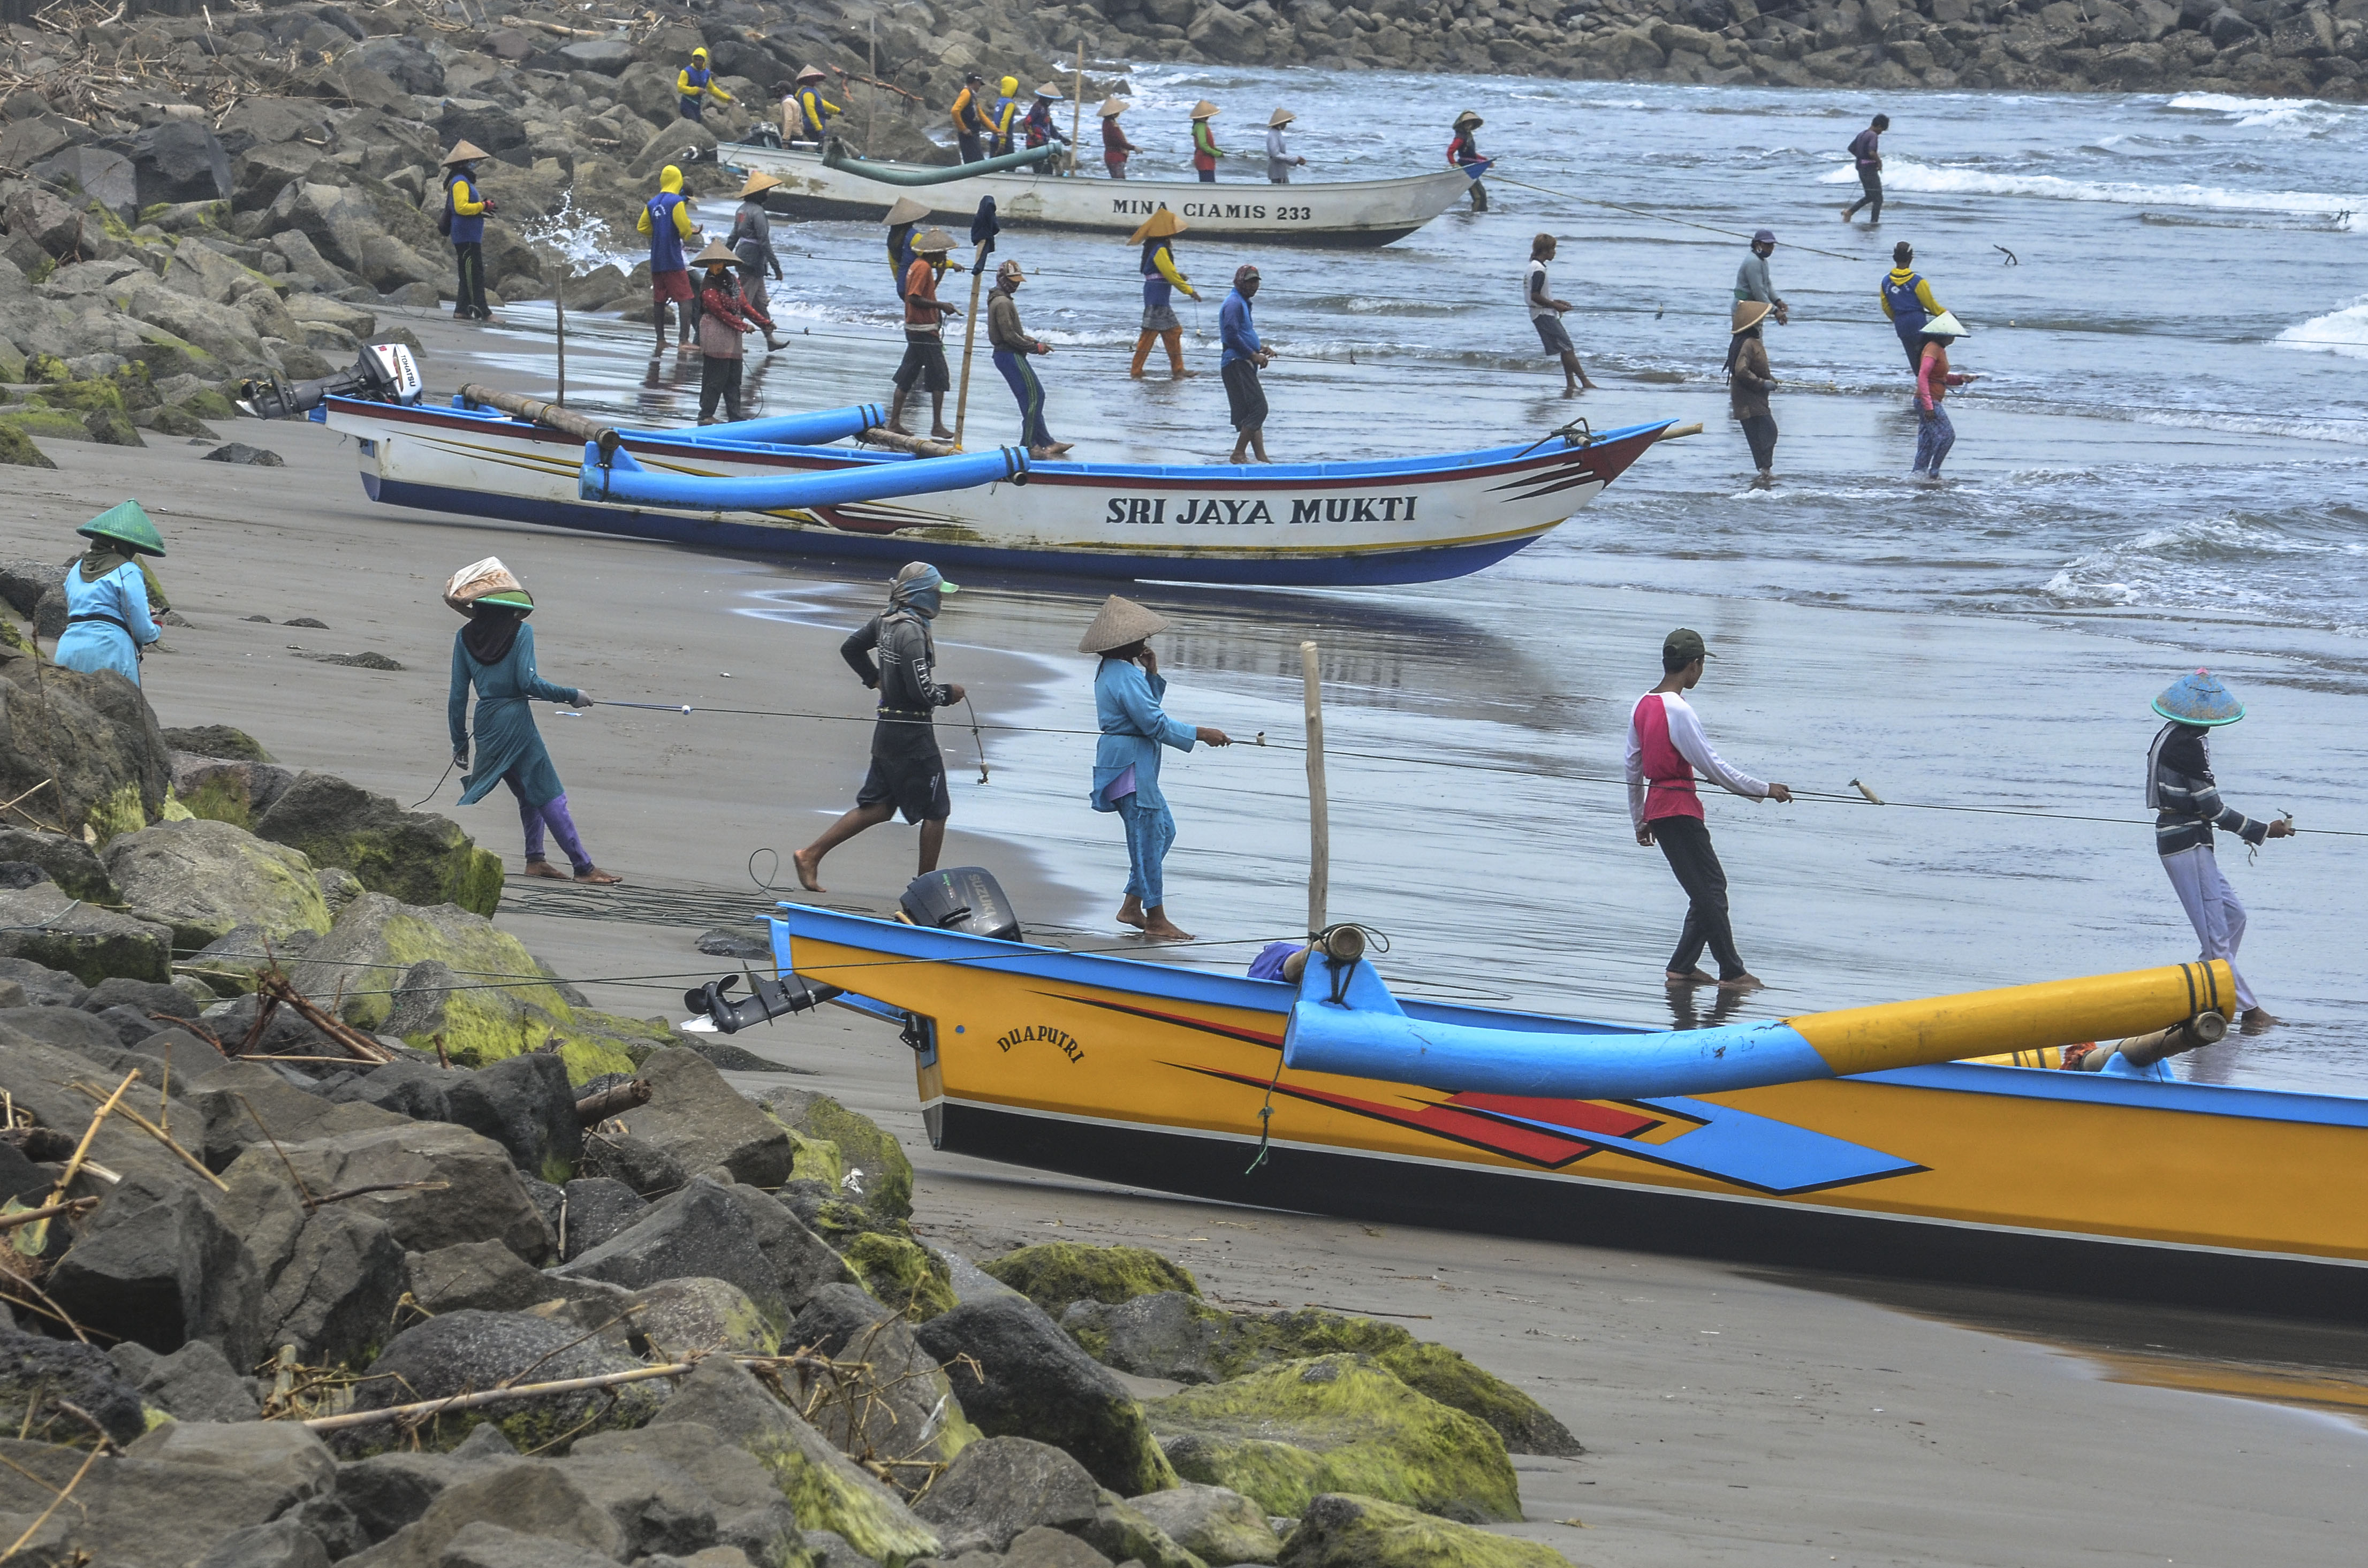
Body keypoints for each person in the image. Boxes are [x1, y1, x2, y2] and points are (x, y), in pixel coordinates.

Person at [1626, 627, 1792, 989]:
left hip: (1659, 808)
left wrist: (1640, 819)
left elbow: (1632, 766)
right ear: (1694, 665)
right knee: (1712, 890)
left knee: (1705, 891)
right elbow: (1713, 767)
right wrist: (1766, 789)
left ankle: (1683, 966)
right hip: (1679, 809)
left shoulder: (1642, 704)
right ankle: (1732, 971)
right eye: (1702, 665)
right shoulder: (1679, 710)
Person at [444, 557, 619, 886]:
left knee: (528, 794)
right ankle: (583, 867)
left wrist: (459, 742)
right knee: (550, 793)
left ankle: (535, 860)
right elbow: (529, 684)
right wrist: (572, 695)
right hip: (515, 721)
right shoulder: (522, 632)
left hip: (487, 723)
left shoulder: (463, 637)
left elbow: (457, 696)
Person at [795, 563, 965, 893]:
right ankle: (924, 888)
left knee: (879, 808)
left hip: (887, 728)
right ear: (921, 596)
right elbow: (922, 691)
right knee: (937, 810)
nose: (941, 601)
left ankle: (810, 855)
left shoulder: (886, 621)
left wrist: (875, 680)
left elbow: (851, 649)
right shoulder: (911, 631)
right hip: (911, 734)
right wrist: (949, 693)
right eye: (937, 594)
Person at [1080, 595, 1232, 941]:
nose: (1145, 642)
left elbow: (1142, 712)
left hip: (1127, 764)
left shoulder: (1115, 672)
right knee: (1148, 838)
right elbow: (1154, 724)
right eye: (1140, 637)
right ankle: (1156, 917)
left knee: (1162, 830)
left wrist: (1152, 675)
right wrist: (1201, 734)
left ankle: (1132, 905)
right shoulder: (1123, 676)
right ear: (1125, 642)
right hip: (1130, 766)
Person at [2146, 669, 2291, 1031]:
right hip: (2186, 844)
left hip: (2190, 840)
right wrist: (2262, 830)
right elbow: (2212, 808)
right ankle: (2251, 1012)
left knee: (2232, 917)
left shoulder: (2173, 734)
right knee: (2216, 934)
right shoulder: (2188, 745)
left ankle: (2206, 991)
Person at [53, 501, 164, 686]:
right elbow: (142, 630)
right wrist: (156, 626)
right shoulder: (128, 570)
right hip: (110, 650)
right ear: (125, 546)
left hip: (69, 648)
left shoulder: (76, 568)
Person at [987, 260, 1071, 459]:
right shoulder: (1002, 303)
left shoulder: (1000, 300)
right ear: (1003, 279)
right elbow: (1008, 337)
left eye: (1017, 281)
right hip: (1009, 355)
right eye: (1012, 281)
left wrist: (1027, 339)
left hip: (1007, 354)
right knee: (1037, 396)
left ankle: (1046, 442)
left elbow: (1010, 333)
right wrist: (1035, 348)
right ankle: (1028, 444)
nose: (1015, 285)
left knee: (1029, 398)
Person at [888, 227, 960, 438]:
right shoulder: (922, 268)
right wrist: (941, 305)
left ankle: (894, 422)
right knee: (940, 376)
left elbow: (923, 292)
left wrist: (940, 277)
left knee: (907, 376)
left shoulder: (918, 266)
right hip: (923, 330)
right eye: (943, 254)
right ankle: (937, 425)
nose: (945, 257)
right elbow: (914, 298)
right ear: (934, 253)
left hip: (915, 328)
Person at [692, 239, 772, 423]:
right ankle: (706, 415)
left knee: (734, 379)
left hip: (733, 335)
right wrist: (743, 326)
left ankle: (735, 417)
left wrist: (765, 322)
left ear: (725, 264)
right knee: (715, 377)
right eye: (712, 264)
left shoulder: (733, 281)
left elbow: (744, 306)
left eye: (718, 263)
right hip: (715, 333)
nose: (715, 267)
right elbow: (719, 312)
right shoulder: (708, 286)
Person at [1129, 208, 1200, 380]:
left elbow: (1164, 272)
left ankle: (1175, 369)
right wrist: (1190, 291)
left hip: (1155, 296)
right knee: (1156, 334)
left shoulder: (1154, 247)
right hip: (1158, 298)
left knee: (1170, 332)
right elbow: (1169, 274)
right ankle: (1138, 371)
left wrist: (1179, 276)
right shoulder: (1160, 248)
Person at [638, 164, 701, 355]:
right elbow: (683, 228)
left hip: (656, 258)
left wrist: (659, 231)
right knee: (686, 298)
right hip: (673, 258)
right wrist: (688, 233)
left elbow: (642, 227)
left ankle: (661, 340)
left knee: (659, 299)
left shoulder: (652, 202)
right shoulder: (676, 202)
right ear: (678, 180)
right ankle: (684, 340)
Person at [727, 171, 790, 353]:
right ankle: (733, 341)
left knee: (761, 303)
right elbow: (764, 241)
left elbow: (733, 237)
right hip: (753, 262)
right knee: (742, 302)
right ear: (760, 193)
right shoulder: (758, 212)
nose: (769, 194)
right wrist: (776, 267)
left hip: (743, 257)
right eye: (767, 190)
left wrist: (725, 256)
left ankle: (770, 339)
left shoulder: (742, 210)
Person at [1525, 233, 1596, 395]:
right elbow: (1535, 296)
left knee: (1566, 349)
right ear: (1545, 251)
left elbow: (1538, 295)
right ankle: (1585, 382)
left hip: (1542, 312)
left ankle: (1571, 383)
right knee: (1568, 348)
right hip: (1543, 314)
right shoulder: (1539, 270)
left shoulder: (1533, 266)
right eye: (1553, 249)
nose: (1555, 252)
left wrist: (1556, 302)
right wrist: (1554, 305)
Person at [1220, 264, 1273, 464]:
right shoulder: (1234, 303)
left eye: (1256, 282)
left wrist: (1260, 348)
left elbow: (1242, 333)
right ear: (1240, 281)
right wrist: (1252, 355)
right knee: (1260, 408)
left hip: (1242, 361)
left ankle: (1261, 458)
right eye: (1249, 282)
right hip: (1236, 363)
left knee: (1251, 411)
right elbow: (1231, 335)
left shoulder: (1242, 302)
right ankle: (1238, 454)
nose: (1253, 286)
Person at [1913, 310, 1974, 480]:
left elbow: (1939, 378)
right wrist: (1928, 405)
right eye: (1952, 335)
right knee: (1947, 436)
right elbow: (1923, 376)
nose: (1954, 338)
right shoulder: (1933, 348)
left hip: (1928, 400)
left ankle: (1918, 477)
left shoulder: (1939, 349)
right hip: (1928, 400)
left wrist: (1960, 379)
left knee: (1927, 443)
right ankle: (1934, 473)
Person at [441, 140, 495, 322]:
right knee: (474, 273)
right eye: (472, 161)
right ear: (464, 163)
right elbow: (461, 208)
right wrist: (483, 206)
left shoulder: (461, 181)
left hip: (468, 234)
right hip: (466, 235)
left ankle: (462, 310)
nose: (475, 164)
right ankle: (483, 312)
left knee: (467, 273)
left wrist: (482, 209)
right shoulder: (460, 182)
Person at [1727, 300, 1778, 484]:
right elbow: (1741, 370)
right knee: (1768, 431)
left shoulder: (1749, 341)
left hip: (1750, 395)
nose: (1761, 324)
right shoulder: (1748, 343)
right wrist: (1762, 384)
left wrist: (1770, 379)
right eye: (1759, 321)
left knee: (1759, 433)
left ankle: (1765, 470)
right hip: (1748, 396)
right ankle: (1765, 470)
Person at [1879, 240, 1945, 376]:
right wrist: (1946, 315)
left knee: (1916, 364)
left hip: (1901, 325)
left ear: (1894, 258)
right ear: (1911, 259)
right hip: (1918, 322)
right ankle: (1927, 393)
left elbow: (1886, 308)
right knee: (1930, 360)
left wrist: (1898, 319)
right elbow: (1931, 306)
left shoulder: (1885, 282)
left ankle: (1921, 390)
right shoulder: (1917, 281)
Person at [1733, 230, 1787, 326]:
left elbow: (1767, 284)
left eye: (1772, 245)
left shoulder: (1762, 261)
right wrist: (1775, 311)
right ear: (1758, 245)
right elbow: (1758, 291)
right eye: (1768, 245)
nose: (1771, 248)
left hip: (1755, 307)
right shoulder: (1753, 262)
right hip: (1745, 308)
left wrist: (1777, 301)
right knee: (1748, 339)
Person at [882, 195, 929, 303]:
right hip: (915, 286)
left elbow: (893, 263)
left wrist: (900, 281)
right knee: (932, 317)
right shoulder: (914, 236)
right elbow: (930, 255)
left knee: (914, 316)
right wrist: (951, 265)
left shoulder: (892, 237)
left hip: (902, 287)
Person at [1842, 113, 1888, 224]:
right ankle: (1874, 222)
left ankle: (1850, 212)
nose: (1881, 132)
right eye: (1881, 129)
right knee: (1878, 198)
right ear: (1878, 126)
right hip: (1869, 169)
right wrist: (1879, 162)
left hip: (1861, 167)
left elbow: (1851, 148)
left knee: (1870, 196)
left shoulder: (1862, 134)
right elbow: (1872, 152)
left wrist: (1862, 158)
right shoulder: (1873, 135)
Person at [677, 46, 733, 123]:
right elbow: (680, 88)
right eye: (696, 59)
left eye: (700, 60)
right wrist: (697, 90)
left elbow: (712, 89)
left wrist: (727, 99)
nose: (698, 62)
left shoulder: (706, 73)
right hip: (687, 104)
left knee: (698, 125)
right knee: (694, 125)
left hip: (697, 106)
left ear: (704, 61)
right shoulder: (686, 72)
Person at [1448, 110, 1489, 211]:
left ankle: (1478, 215)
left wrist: (1484, 160)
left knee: (1481, 193)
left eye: (1471, 123)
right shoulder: (1460, 137)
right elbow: (1450, 153)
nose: (1469, 125)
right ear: (1463, 124)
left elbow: (1471, 154)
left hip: (1472, 169)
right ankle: (1476, 215)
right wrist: (1454, 165)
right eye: (1467, 123)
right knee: (1480, 195)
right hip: (1466, 170)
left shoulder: (1468, 135)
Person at [792, 66, 840, 148]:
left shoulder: (812, 92)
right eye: (812, 79)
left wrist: (837, 111)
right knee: (820, 147)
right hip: (812, 126)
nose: (815, 81)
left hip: (817, 124)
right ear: (807, 80)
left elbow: (822, 103)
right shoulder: (807, 93)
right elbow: (810, 111)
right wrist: (818, 128)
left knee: (822, 146)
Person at [951, 73, 991, 163]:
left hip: (973, 134)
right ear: (975, 82)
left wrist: (996, 131)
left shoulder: (972, 95)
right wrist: (963, 129)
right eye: (980, 84)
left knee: (977, 161)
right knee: (976, 163)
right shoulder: (966, 94)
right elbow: (955, 111)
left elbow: (981, 116)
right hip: (968, 136)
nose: (980, 87)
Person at [1100, 97, 1140, 178]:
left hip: (1110, 156)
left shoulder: (1106, 123)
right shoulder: (1112, 126)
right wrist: (1134, 148)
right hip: (1116, 157)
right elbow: (1120, 142)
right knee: (1120, 182)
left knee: (1116, 180)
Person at [1023, 86, 1071, 154]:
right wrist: (1035, 138)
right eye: (1050, 100)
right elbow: (1026, 123)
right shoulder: (1037, 108)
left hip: (1043, 144)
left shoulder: (1046, 110)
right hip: (1034, 145)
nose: (1051, 102)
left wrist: (1062, 139)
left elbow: (1051, 129)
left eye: (1052, 100)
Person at [1265, 108, 1305, 184]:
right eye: (1285, 123)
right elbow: (1275, 155)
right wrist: (1296, 159)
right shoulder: (1273, 135)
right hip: (1277, 171)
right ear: (1280, 123)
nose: (1286, 125)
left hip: (1280, 170)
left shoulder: (1277, 133)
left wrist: (1295, 161)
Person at [1189, 100, 1221, 183]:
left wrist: (1217, 150)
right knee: (1208, 183)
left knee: (1206, 182)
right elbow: (1203, 145)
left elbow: (1206, 145)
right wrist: (1216, 153)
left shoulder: (1199, 125)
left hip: (1204, 158)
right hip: (1204, 160)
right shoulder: (1201, 126)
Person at [990, 76, 1021, 156]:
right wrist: (1002, 142)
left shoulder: (1000, 101)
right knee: (1010, 167)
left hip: (994, 138)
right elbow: (1004, 122)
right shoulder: (1010, 104)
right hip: (1005, 140)